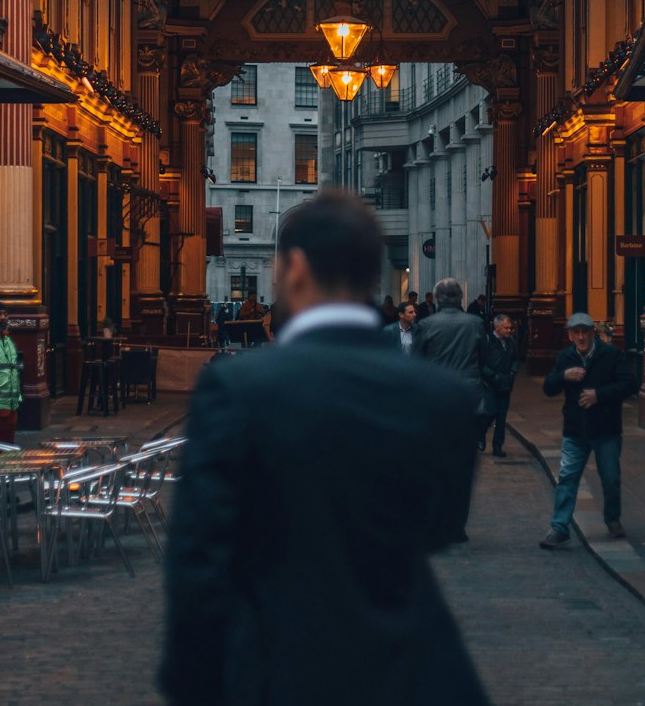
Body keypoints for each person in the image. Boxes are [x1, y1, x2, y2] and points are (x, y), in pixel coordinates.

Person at [158, 190, 490, 706]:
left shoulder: (237, 389)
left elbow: (199, 563)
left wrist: (195, 686)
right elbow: (443, 527)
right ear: (373, 277)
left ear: (294, 269)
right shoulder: (442, 398)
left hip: (279, 669)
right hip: (412, 674)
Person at [540, 311, 638, 548]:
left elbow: (630, 384)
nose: (581, 337)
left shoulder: (611, 355)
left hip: (606, 429)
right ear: (570, 335)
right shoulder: (565, 358)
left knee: (611, 478)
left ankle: (612, 519)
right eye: (576, 333)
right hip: (575, 430)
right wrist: (564, 376)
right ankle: (559, 527)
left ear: (593, 333)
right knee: (567, 478)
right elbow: (548, 387)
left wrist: (599, 395)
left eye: (585, 332)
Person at [413, 278, 486, 442]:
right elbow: (484, 358)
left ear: (437, 298)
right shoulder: (476, 323)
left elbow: (416, 362)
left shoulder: (426, 324)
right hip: (469, 391)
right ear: (460, 297)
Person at [0, 298, 24, 445]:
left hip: (12, 405)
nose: (3, 318)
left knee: (8, 447)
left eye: (5, 314)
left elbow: (15, 368)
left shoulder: (7, 339)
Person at [479, 313, 517, 457]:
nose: (509, 330)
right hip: (490, 384)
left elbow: (515, 358)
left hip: (506, 384)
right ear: (498, 327)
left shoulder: (511, 341)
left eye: (510, 328)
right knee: (490, 412)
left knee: (501, 417)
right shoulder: (487, 341)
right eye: (506, 328)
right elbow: (481, 363)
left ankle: (497, 446)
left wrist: (513, 371)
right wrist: (492, 376)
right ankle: (480, 433)